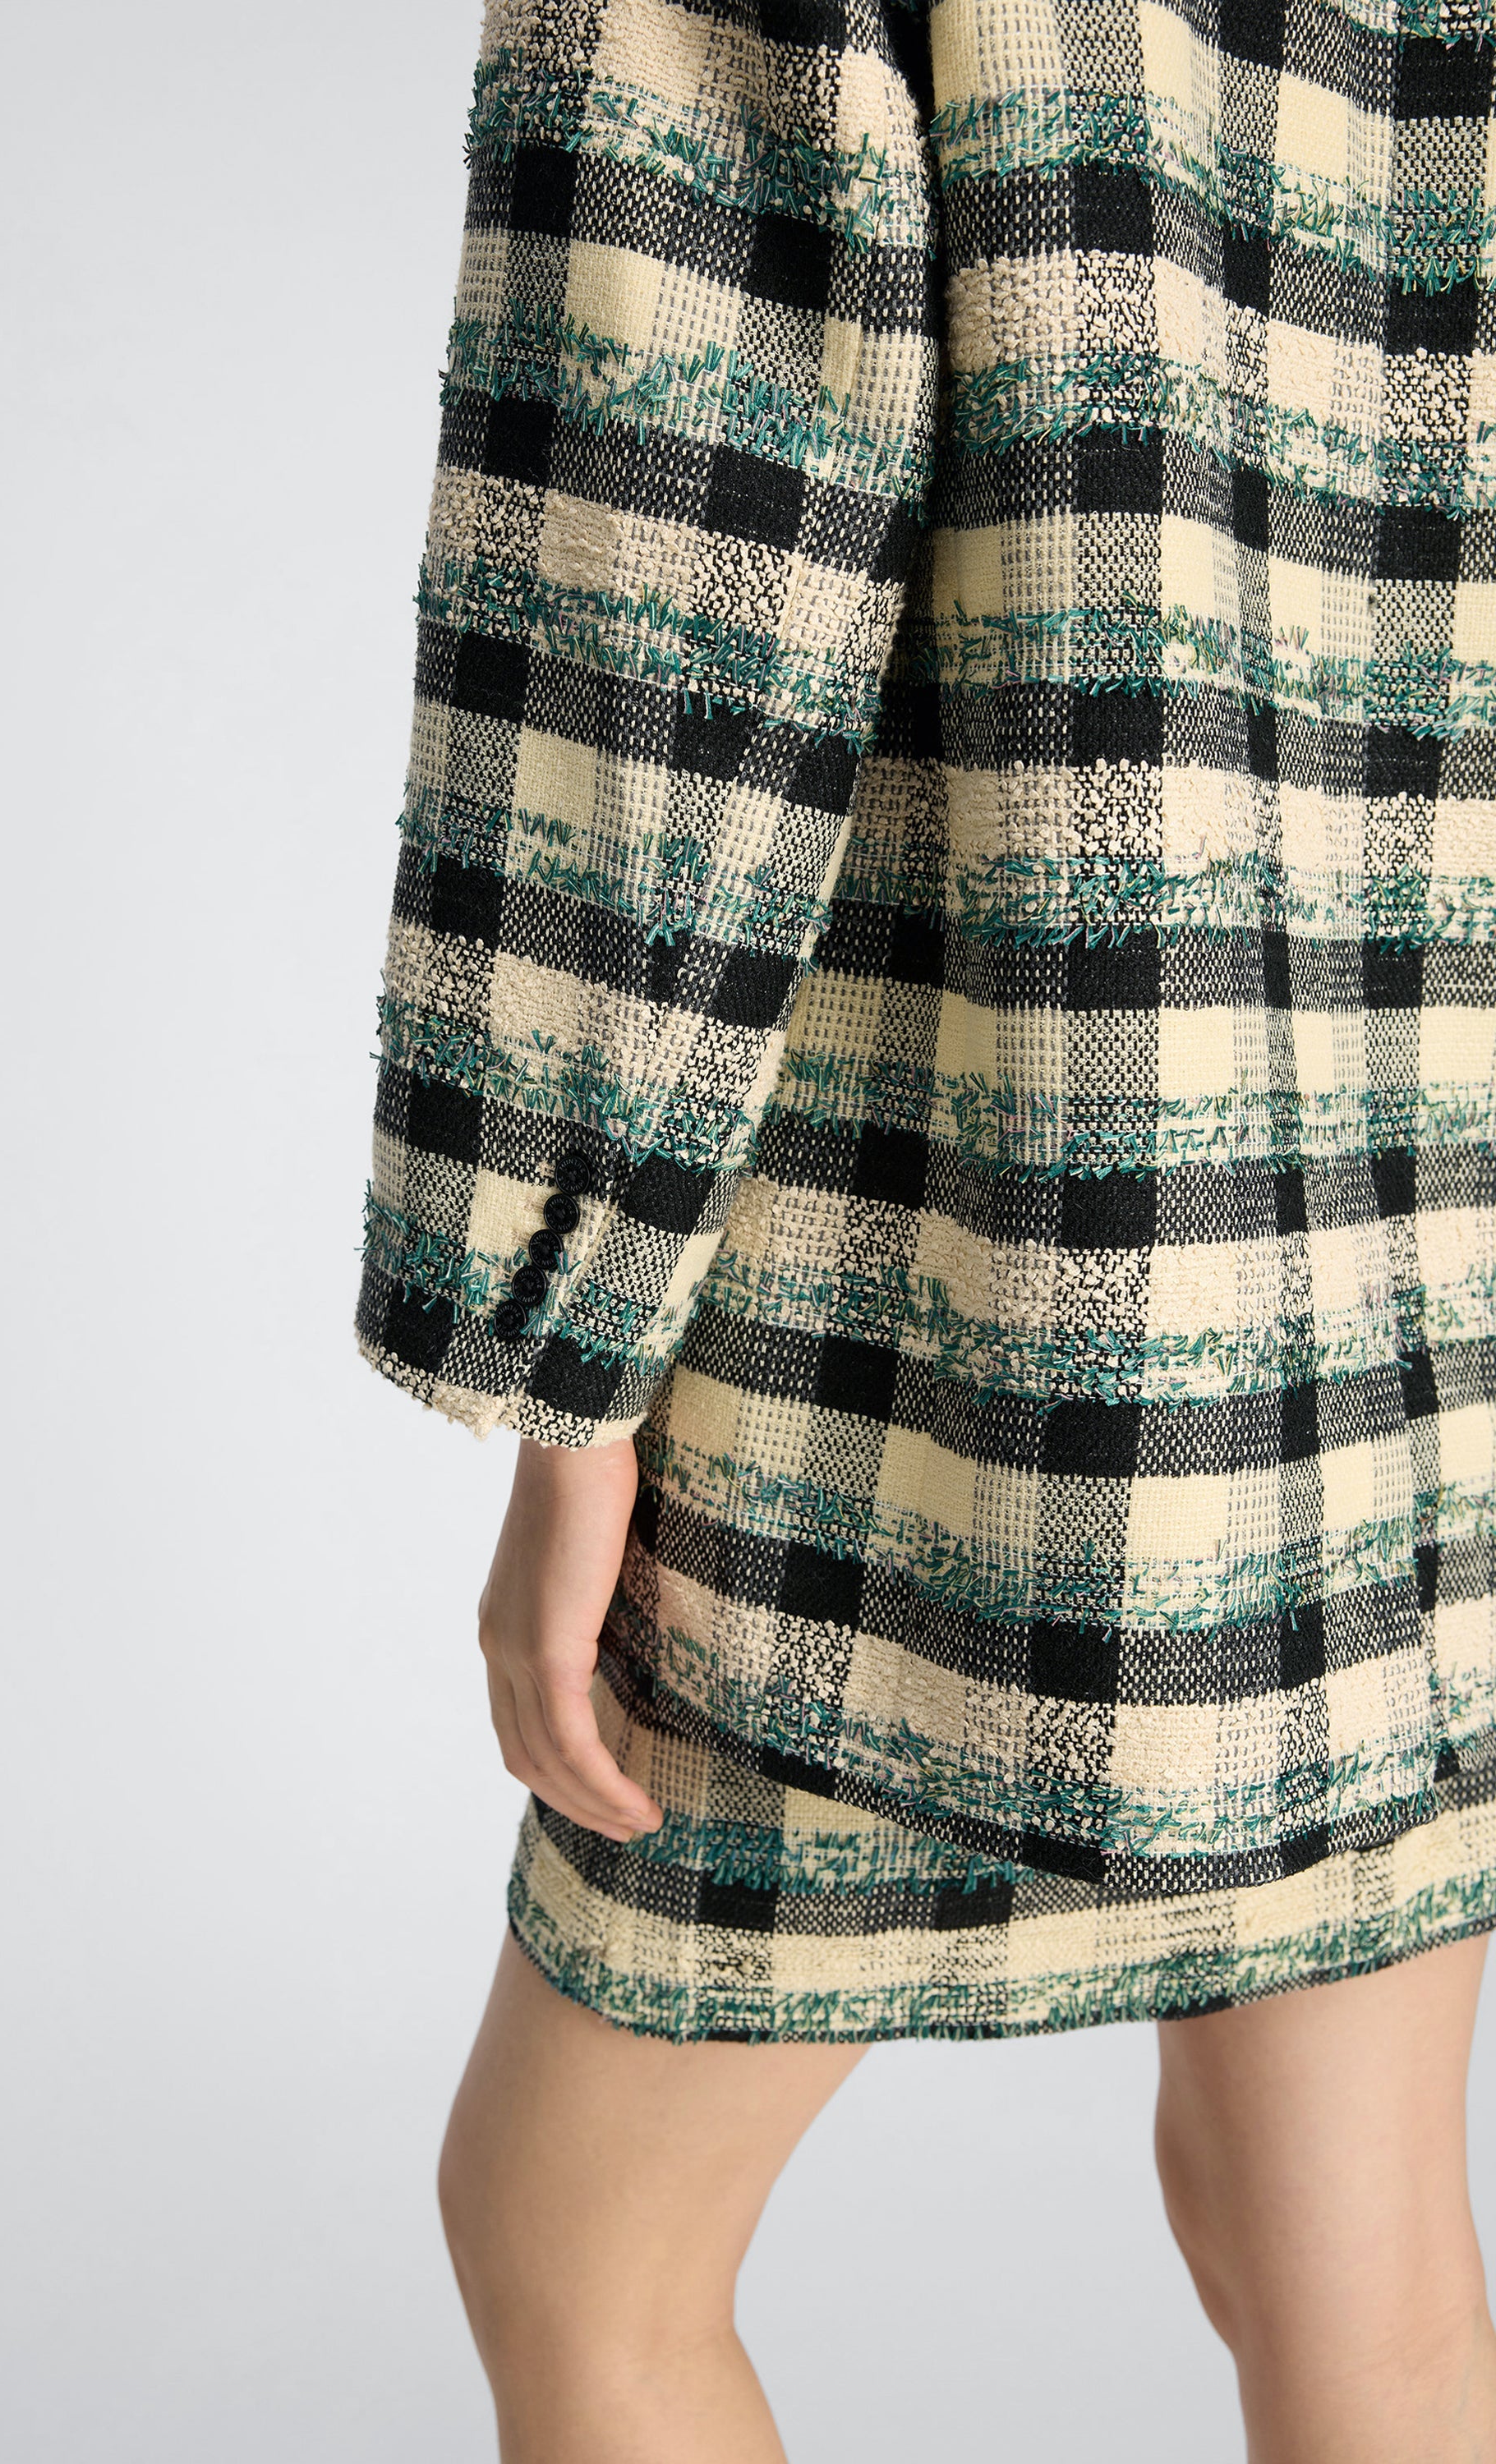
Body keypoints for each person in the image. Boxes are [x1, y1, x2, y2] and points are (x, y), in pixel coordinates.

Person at [355, 2, 1496, 2455]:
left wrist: (568, 1355)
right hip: (1414, 1285)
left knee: (575, 2254)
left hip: (934, 1284)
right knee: (1357, 2278)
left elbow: (663, 552)